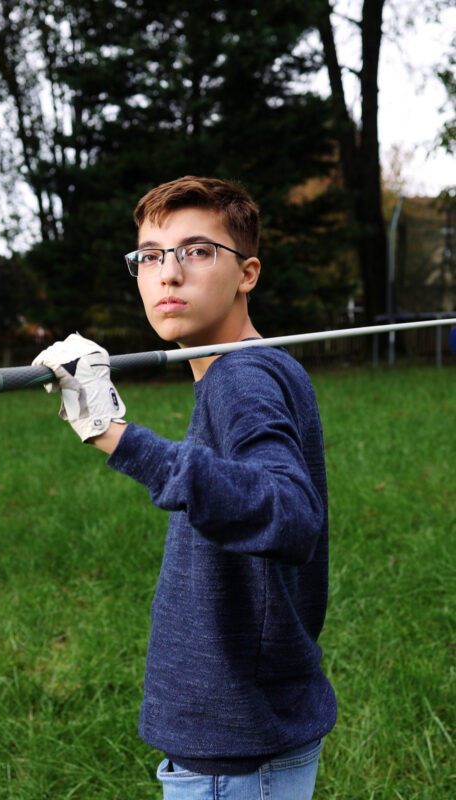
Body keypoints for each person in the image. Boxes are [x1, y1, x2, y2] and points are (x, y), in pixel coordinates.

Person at [32, 176, 336, 799]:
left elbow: (289, 513)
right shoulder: (252, 367)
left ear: (247, 273)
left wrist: (111, 433)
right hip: (253, 727)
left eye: (197, 251)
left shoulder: (240, 378)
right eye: (150, 255)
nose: (168, 274)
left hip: (236, 747)